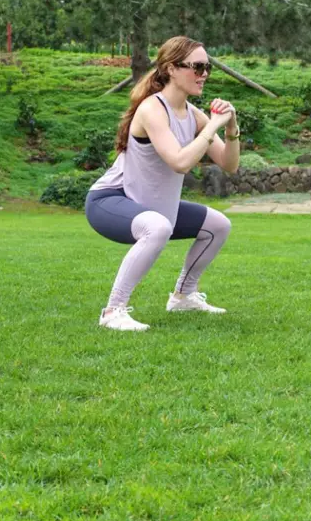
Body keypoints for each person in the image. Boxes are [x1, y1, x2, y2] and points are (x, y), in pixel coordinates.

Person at [85, 35, 240, 331]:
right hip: (110, 200)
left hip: (155, 206)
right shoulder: (152, 109)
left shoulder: (192, 115)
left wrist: (231, 127)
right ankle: (112, 311)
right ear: (170, 68)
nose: (204, 74)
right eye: (196, 67)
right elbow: (180, 161)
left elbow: (229, 164)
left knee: (218, 225)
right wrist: (212, 126)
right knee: (157, 227)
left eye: (207, 67)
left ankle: (183, 296)